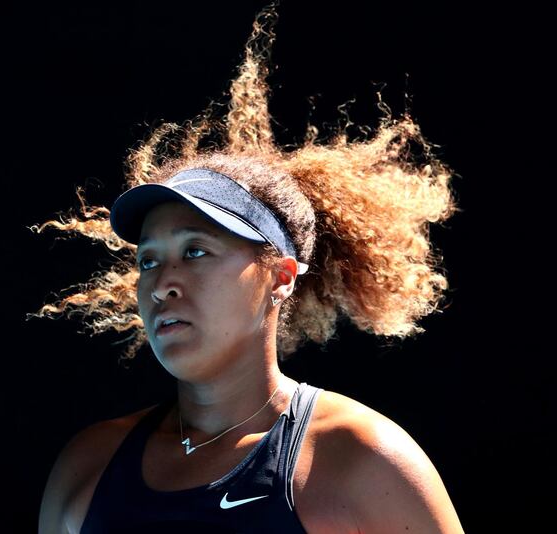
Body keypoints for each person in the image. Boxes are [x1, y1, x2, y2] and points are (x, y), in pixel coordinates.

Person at [31, 4, 464, 533]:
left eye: (196, 251)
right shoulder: (88, 466)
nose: (161, 284)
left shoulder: (363, 462)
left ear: (280, 276)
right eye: (148, 260)